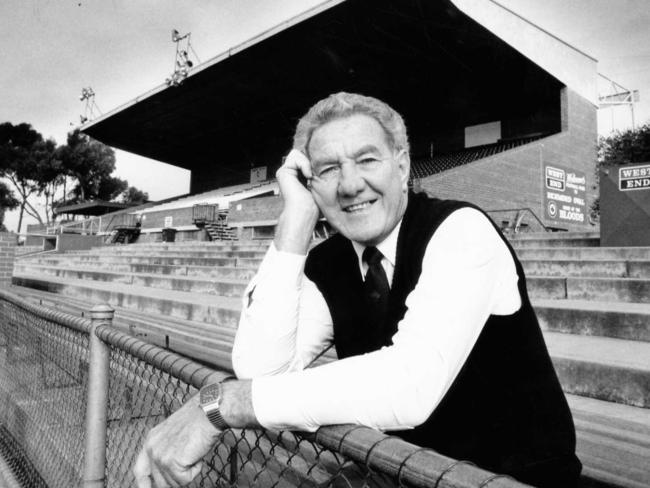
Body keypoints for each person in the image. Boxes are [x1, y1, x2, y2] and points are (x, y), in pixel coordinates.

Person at [134, 92, 581, 488]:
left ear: (402, 165)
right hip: (400, 472)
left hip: (508, 478)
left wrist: (222, 405)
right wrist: (294, 226)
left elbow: (410, 385)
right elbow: (260, 368)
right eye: (328, 169)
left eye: (367, 160)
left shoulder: (461, 230)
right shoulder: (331, 259)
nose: (349, 185)